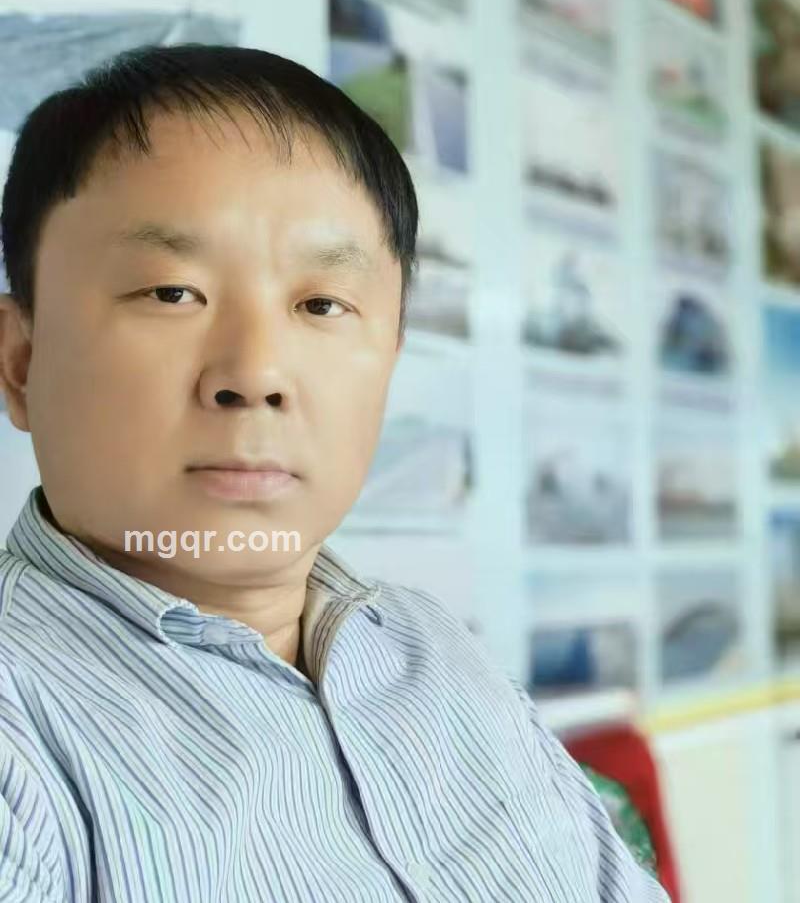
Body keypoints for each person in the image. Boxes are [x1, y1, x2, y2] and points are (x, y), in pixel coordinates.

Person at [0, 44, 669, 902]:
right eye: (171, 292)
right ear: (21, 362)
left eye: (322, 304)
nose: (255, 373)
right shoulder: (23, 730)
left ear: (389, 355)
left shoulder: (435, 649)